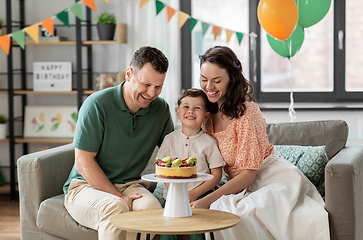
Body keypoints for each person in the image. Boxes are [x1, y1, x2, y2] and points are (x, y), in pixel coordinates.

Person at [190, 46, 330, 240]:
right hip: (240, 186)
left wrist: (206, 200)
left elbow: (248, 174)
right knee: (221, 210)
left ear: (231, 79)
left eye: (217, 81)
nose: (209, 87)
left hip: (272, 179)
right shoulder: (205, 116)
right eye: (203, 79)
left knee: (240, 213)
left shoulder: (247, 113)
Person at [63, 46, 174, 240]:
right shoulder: (96, 104)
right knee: (115, 207)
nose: (151, 93)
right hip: (85, 187)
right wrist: (118, 195)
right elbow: (83, 162)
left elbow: (172, 153)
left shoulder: (161, 109)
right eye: (146, 84)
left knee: (152, 210)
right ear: (129, 74)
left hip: (130, 184)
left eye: (158, 87)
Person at [156, 88, 225, 240]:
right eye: (186, 107)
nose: (191, 111)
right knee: (167, 228)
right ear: (178, 113)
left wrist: (195, 194)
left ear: (206, 116)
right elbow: (162, 170)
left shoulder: (209, 142)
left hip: (201, 196)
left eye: (197, 108)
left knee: (198, 226)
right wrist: (176, 193)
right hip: (173, 196)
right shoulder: (169, 140)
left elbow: (217, 175)